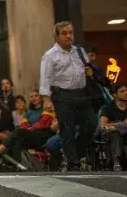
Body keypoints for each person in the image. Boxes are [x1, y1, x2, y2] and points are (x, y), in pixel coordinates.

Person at [39, 21, 98, 171]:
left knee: (91, 124)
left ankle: (76, 154)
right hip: (62, 95)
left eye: (70, 33)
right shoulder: (50, 55)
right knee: (67, 130)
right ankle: (73, 163)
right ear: (57, 36)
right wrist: (46, 99)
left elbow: (86, 69)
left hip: (82, 94)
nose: (68, 36)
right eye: (64, 33)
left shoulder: (79, 51)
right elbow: (45, 77)